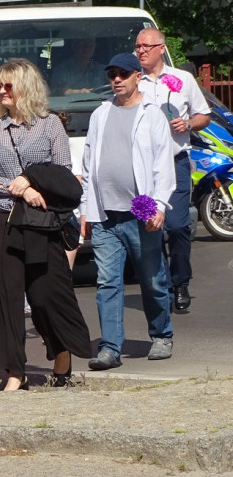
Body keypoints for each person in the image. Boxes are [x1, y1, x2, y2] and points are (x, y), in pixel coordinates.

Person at [0, 59, 93, 390]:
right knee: (6, 298)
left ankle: (61, 352)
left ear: (26, 87)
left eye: (7, 86)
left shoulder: (50, 125)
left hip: (41, 223)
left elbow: (62, 172)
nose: (0, 91)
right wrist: (18, 189)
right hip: (4, 218)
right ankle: (15, 370)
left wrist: (30, 182)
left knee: (45, 295)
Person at [80, 54, 176, 370]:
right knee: (107, 282)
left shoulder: (152, 114)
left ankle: (161, 334)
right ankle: (110, 348)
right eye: (111, 74)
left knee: (152, 279)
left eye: (122, 73)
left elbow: (163, 163)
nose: (117, 79)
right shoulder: (100, 113)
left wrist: (160, 205)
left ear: (137, 76)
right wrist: (85, 210)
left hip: (141, 209)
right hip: (105, 212)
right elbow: (88, 162)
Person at [135, 28, 211, 314]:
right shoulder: (133, 81)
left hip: (175, 162)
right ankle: (161, 285)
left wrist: (189, 125)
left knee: (177, 225)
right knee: (150, 227)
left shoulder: (182, 79)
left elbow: (203, 114)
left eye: (146, 46)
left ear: (160, 48)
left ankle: (180, 282)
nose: (141, 51)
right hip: (142, 167)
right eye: (137, 46)